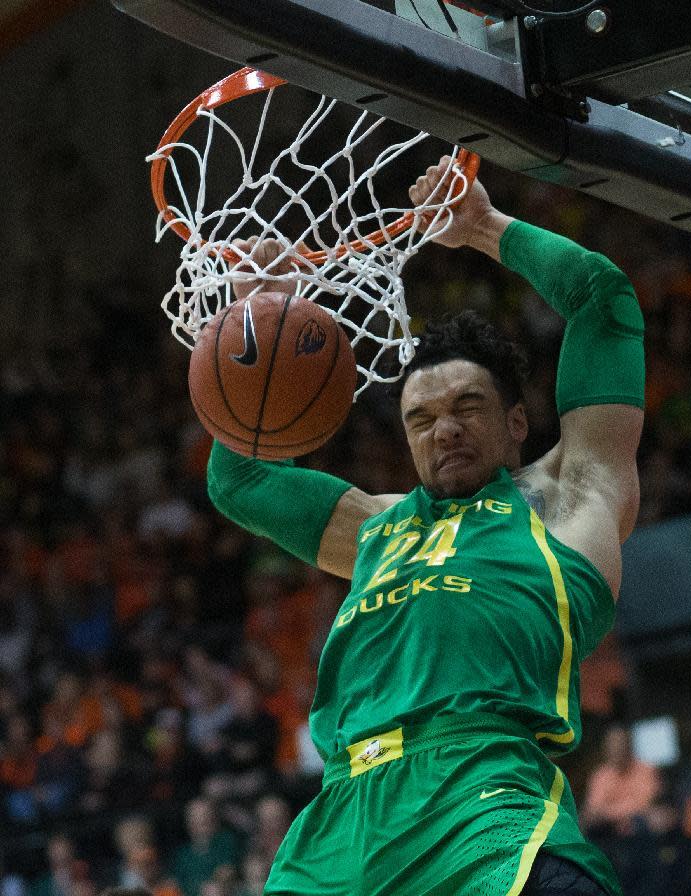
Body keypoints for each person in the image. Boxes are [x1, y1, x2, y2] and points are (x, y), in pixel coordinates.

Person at [205, 158, 646, 895]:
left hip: (482, 807)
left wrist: (484, 228)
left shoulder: (569, 497)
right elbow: (237, 478)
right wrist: (257, 312)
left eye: (467, 408)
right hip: (343, 823)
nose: (444, 430)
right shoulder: (376, 527)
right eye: (421, 418)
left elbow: (604, 300)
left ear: (514, 423)